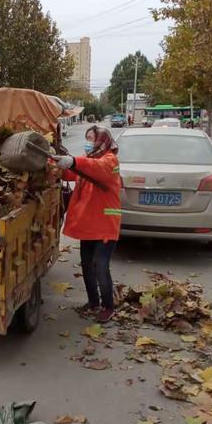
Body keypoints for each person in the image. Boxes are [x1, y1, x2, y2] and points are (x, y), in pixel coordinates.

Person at [53, 126, 122, 323]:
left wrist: (74, 161)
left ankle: (108, 306)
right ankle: (93, 302)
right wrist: (56, 163)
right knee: (86, 265)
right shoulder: (89, 159)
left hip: (105, 225)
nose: (88, 141)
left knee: (100, 267)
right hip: (89, 225)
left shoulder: (110, 161)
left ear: (102, 140)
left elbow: (96, 169)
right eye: (86, 138)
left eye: (91, 138)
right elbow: (72, 174)